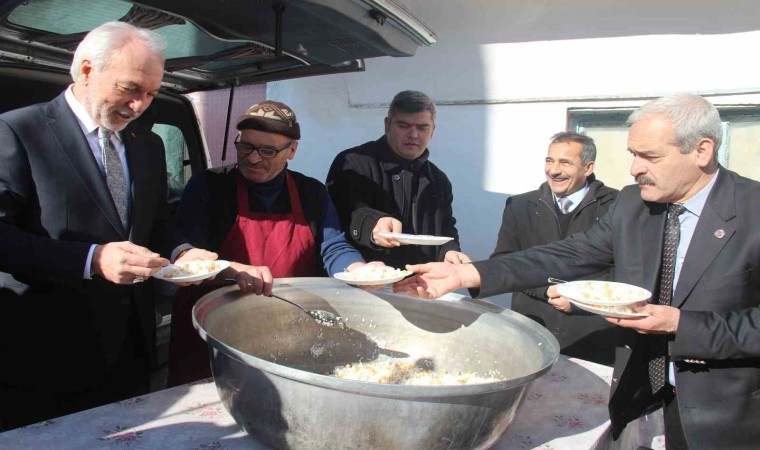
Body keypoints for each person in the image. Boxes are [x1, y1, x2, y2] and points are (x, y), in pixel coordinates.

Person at [396, 93, 760, 449]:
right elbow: (567, 254)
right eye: (633, 155)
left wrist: (680, 325)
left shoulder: (752, 211)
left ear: (702, 151)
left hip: (725, 412)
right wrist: (468, 274)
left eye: (650, 157)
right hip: (638, 393)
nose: (635, 169)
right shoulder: (633, 204)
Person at [0, 21, 212, 430]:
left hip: (130, 350)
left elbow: (157, 222)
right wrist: (92, 259)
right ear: (86, 70)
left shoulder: (147, 144)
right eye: (131, 88)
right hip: (45, 355)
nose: (140, 106)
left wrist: (183, 251)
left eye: (151, 93)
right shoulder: (17, 131)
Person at [167, 100, 380, 386]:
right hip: (211, 325)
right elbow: (188, 249)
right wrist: (228, 268)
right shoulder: (209, 185)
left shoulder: (311, 192)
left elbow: (333, 247)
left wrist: (358, 270)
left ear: (292, 150)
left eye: (268, 151)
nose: (254, 159)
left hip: (282, 324)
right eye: (245, 147)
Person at [491, 131, 630, 365]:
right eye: (550, 160)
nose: (554, 170)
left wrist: (580, 299)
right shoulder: (520, 205)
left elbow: (625, 271)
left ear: (588, 168)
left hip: (592, 335)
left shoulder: (617, 206)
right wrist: (545, 290)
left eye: (565, 162)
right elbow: (504, 259)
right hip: (532, 330)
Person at [326, 90, 470, 268]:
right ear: (388, 125)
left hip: (422, 281)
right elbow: (341, 217)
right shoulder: (353, 163)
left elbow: (446, 228)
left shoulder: (438, 179)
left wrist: (449, 251)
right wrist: (373, 225)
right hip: (368, 277)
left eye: (422, 128)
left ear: (433, 130)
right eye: (404, 125)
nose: (413, 134)